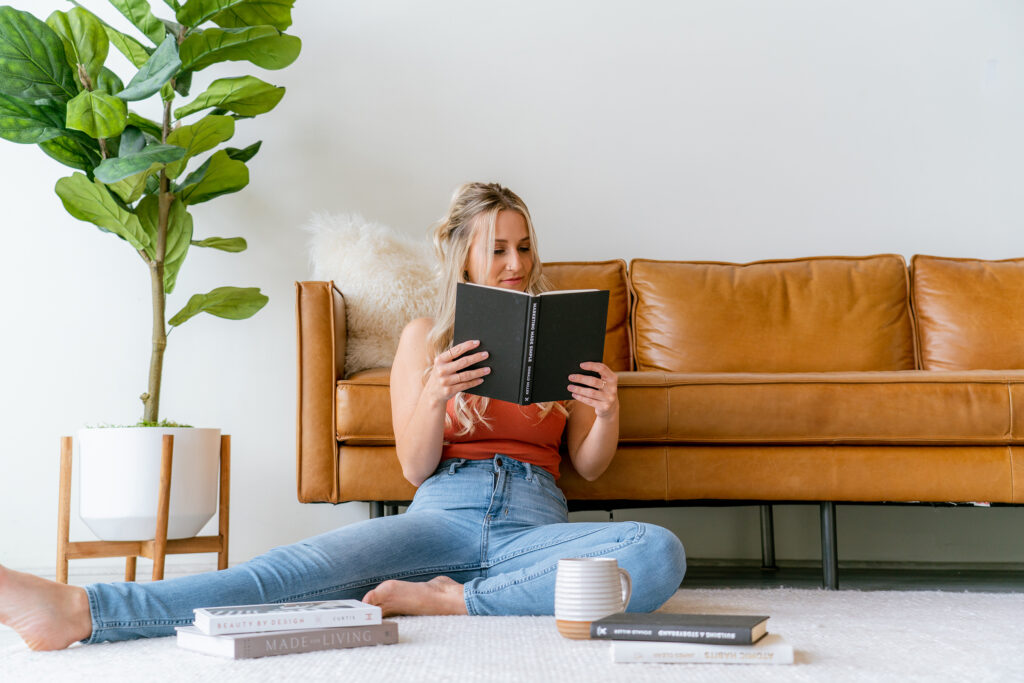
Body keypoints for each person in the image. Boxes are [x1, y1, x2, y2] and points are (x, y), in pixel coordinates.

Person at [0, 182, 685, 651]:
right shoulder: (426, 336)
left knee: (656, 552)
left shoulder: (562, 331)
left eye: (524, 246)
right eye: (498, 247)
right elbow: (416, 465)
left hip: (533, 524)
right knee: (283, 573)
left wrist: (606, 408)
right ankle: (82, 610)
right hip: (440, 513)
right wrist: (435, 394)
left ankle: (456, 601)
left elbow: (589, 465)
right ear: (463, 251)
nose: (515, 262)